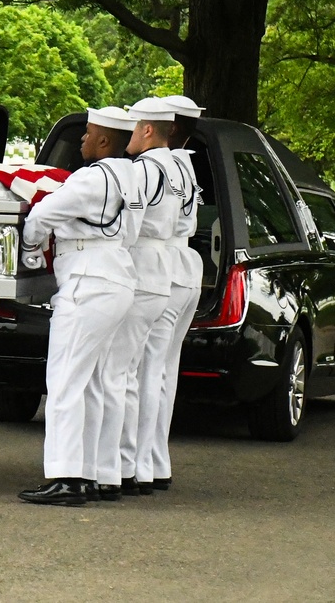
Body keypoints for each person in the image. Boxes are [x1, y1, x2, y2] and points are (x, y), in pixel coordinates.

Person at [17, 106, 142, 506]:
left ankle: (66, 476)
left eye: (88, 133)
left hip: (88, 280)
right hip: (118, 276)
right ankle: (97, 473)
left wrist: (30, 249)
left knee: (66, 380)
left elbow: (42, 213)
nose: (83, 140)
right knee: (96, 382)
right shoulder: (132, 176)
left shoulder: (90, 178)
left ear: (104, 141)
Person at [95, 96, 184, 500]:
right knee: (136, 373)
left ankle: (113, 467)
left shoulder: (147, 169)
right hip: (164, 267)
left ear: (148, 130)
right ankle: (134, 465)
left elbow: (127, 220)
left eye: (133, 129)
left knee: (116, 373)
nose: (128, 137)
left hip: (143, 267)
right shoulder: (178, 165)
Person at [144, 95, 204, 492]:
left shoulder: (156, 167)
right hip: (184, 267)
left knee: (146, 371)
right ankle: (155, 460)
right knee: (164, 371)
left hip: (162, 267)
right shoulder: (186, 166)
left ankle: (140, 463)